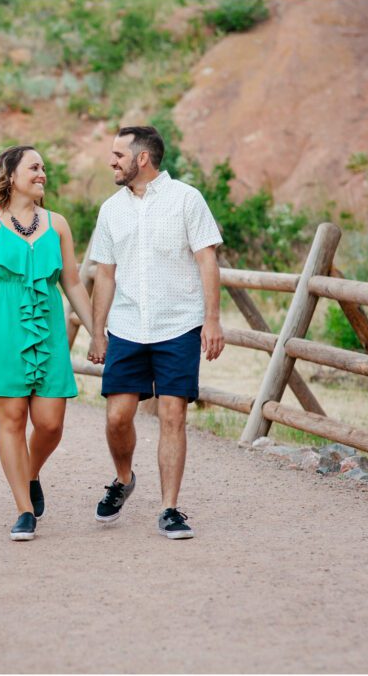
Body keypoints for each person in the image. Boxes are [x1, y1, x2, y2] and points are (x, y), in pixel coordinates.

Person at [86, 125, 225, 540]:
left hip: (178, 325)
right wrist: (97, 332)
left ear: (141, 158)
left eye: (118, 155)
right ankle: (124, 479)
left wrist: (212, 320)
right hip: (127, 326)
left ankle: (169, 508)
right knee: (117, 417)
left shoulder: (187, 200)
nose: (111, 161)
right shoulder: (111, 209)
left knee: (172, 414)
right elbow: (105, 275)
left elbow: (207, 261)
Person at [0, 145, 95, 541]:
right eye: (34, 167)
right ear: (11, 174)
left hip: (47, 330)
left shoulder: (57, 224)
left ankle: (31, 471)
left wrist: (95, 331)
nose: (42, 174)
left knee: (50, 423)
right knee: (13, 419)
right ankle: (24, 510)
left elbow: (72, 282)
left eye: (44, 169)